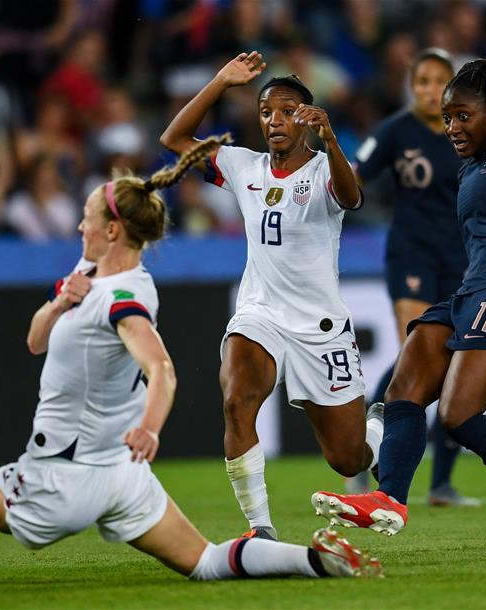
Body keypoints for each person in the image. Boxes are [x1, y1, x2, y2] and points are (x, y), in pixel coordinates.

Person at [0, 135, 379, 586]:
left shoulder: (122, 298)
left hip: (61, 476)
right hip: (123, 478)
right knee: (205, 561)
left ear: (113, 231)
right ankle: (310, 560)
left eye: (88, 218)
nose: (79, 224)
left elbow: (161, 368)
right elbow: (35, 341)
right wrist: (59, 303)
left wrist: (151, 428)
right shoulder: (90, 272)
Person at [312, 59, 486, 557]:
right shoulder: (473, 163)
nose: (452, 128)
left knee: (458, 414)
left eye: (463, 116)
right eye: (447, 118)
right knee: (406, 379)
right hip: (474, 290)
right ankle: (390, 499)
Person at [160, 51, 384, 541]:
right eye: (265, 112)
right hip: (259, 313)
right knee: (238, 399)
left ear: (306, 117)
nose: (275, 121)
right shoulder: (245, 167)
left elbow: (351, 198)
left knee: (348, 457)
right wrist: (220, 81)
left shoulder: (325, 168)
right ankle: (260, 529)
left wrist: (331, 140)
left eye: (286, 111)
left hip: (320, 327)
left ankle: (377, 429)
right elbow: (174, 140)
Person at [348, 48, 479, 507]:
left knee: (457, 360)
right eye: (421, 81)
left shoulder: (467, 130)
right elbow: (352, 175)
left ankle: (441, 484)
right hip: (411, 255)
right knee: (417, 350)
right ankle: (368, 437)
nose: (428, 89)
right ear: (412, 85)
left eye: (437, 81)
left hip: (463, 257)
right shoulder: (395, 131)